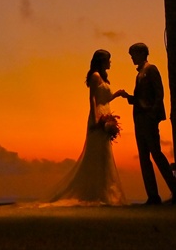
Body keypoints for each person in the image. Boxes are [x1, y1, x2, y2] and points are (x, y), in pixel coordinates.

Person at [46, 49, 128, 205]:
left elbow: (106, 98)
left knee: (105, 154)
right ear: (102, 61)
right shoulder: (95, 76)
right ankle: (95, 193)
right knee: (97, 153)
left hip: (106, 112)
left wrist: (117, 94)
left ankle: (105, 192)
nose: (110, 63)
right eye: (108, 60)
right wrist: (97, 118)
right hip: (98, 115)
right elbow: (92, 99)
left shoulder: (103, 78)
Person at [126, 42, 176, 205]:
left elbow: (159, 93)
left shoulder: (151, 69)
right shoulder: (140, 73)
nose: (132, 58)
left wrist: (153, 114)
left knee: (156, 153)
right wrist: (129, 97)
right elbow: (142, 98)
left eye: (133, 54)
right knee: (144, 157)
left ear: (142, 53)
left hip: (148, 118)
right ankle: (153, 196)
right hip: (139, 119)